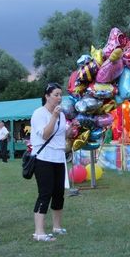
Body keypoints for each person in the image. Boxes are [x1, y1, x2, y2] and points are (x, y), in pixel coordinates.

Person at [30, 82, 78, 242]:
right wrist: (54, 116)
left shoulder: (62, 115)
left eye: (60, 95)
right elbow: (45, 134)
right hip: (43, 158)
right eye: (56, 95)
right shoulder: (39, 113)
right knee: (45, 193)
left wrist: (72, 129)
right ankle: (39, 232)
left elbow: (62, 135)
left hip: (58, 158)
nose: (59, 98)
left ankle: (56, 227)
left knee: (59, 194)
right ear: (47, 96)